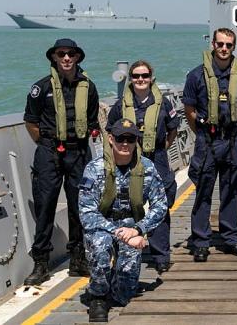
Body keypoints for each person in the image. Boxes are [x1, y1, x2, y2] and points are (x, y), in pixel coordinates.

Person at [23, 38, 100, 285]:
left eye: (71, 54)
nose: (66, 58)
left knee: (80, 207)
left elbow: (91, 120)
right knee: (45, 206)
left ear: (77, 57)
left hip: (78, 152)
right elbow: (31, 122)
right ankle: (41, 264)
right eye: (61, 54)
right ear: (54, 57)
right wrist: (47, 145)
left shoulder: (89, 88)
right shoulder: (40, 87)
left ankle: (78, 259)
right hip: (49, 152)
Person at [79, 118, 167, 322]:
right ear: (111, 139)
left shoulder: (146, 168)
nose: (125, 144)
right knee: (101, 247)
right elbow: (87, 213)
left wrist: (139, 229)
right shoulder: (94, 169)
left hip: (131, 225)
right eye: (120, 138)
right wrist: (121, 234)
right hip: (102, 224)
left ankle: (117, 286)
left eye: (130, 139)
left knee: (123, 295)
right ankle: (98, 296)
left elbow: (161, 205)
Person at [182, 28, 237, 262]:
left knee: (232, 191)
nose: (224, 49)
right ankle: (201, 241)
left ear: (233, 47)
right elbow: (189, 110)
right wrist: (202, 133)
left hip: (231, 140)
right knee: (203, 192)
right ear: (212, 44)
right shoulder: (195, 76)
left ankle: (230, 238)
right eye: (220, 44)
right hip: (207, 141)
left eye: (228, 45)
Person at [107, 60, 180, 273]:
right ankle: (128, 247)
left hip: (157, 157)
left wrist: (163, 147)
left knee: (161, 205)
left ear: (151, 78)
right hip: (130, 159)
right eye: (136, 76)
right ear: (131, 79)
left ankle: (160, 254)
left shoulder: (163, 104)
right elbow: (110, 130)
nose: (141, 80)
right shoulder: (121, 105)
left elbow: (173, 129)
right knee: (127, 204)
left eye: (145, 76)